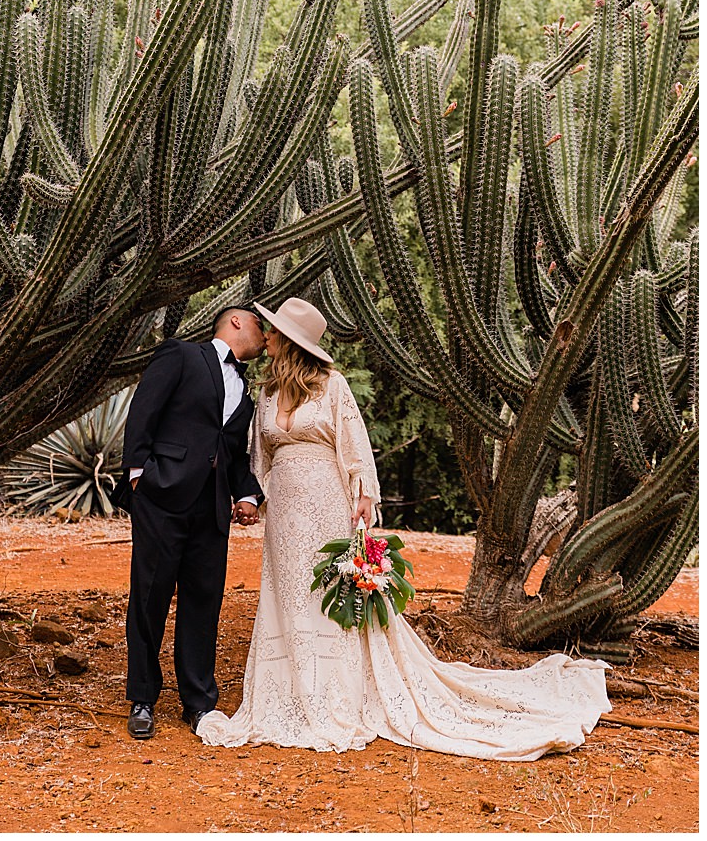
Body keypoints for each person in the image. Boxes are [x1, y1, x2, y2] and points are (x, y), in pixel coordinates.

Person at [196, 297, 611, 757]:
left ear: (291, 341)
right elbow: (260, 458)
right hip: (287, 515)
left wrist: (362, 502)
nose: (266, 336)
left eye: (273, 331)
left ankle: (331, 697)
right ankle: (290, 691)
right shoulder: (269, 393)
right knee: (288, 596)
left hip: (327, 504)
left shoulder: (331, 386)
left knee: (325, 598)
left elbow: (356, 451)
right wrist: (252, 499)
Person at [110, 306, 267, 740]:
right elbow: (145, 409)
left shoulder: (246, 392)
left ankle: (198, 703)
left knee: (203, 603)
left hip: (211, 509)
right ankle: (142, 698)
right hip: (162, 497)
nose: (266, 335)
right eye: (260, 325)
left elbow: (232, 452)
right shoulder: (181, 354)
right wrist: (139, 474)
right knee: (149, 598)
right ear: (235, 321)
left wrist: (248, 495)